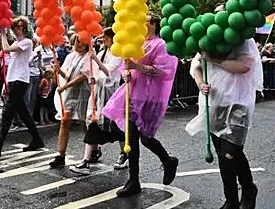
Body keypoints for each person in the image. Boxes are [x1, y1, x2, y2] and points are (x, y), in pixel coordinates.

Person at [102, 14, 179, 196]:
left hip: (151, 97)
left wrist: (137, 67)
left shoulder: (160, 45)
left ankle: (168, 161)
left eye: (144, 21)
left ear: (152, 25)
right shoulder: (135, 42)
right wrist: (125, 73)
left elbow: (162, 71)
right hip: (133, 94)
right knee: (131, 137)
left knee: (146, 138)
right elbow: (124, 65)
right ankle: (133, 180)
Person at [190, 37, 263, 209]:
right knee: (222, 155)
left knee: (232, 151)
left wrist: (214, 60)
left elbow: (245, 66)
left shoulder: (242, 38)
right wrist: (200, 84)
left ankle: (248, 186)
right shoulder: (207, 38)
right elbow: (197, 65)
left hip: (238, 101)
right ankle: (230, 202)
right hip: (215, 102)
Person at [0, 17, 45, 158]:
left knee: (8, 113)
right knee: (23, 112)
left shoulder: (27, 42)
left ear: (24, 28)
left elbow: (6, 49)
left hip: (20, 79)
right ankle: (37, 139)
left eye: (19, 27)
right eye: (15, 27)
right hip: (14, 79)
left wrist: (3, 34)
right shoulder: (18, 42)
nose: (16, 29)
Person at [73, 28, 124, 172]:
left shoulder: (117, 53)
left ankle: (124, 152)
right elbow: (95, 71)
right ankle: (86, 159)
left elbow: (109, 72)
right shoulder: (102, 52)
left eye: (107, 37)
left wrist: (95, 59)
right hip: (98, 95)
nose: (105, 40)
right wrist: (92, 76)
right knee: (94, 124)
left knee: (116, 125)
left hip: (110, 95)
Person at [50, 37, 92, 168]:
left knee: (84, 122)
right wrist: (59, 70)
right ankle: (61, 155)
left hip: (83, 92)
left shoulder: (89, 57)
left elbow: (83, 76)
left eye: (83, 42)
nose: (79, 44)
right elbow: (67, 75)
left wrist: (65, 86)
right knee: (64, 120)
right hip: (69, 92)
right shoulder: (70, 56)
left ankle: (93, 146)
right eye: (78, 41)